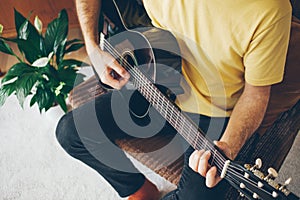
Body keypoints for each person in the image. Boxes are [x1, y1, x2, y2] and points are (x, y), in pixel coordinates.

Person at [55, 0, 292, 199]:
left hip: (214, 113)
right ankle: (139, 190)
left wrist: (228, 145)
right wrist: (93, 47)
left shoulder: (270, 11)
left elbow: (257, 94)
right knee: (70, 132)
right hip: (159, 79)